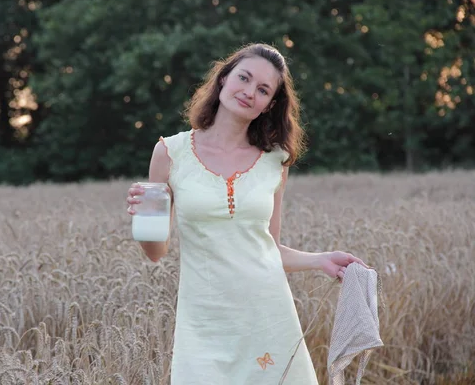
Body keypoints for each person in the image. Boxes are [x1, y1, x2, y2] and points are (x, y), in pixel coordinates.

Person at [125, 43, 368, 384]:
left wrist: (321, 260)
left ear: (269, 105)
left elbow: (268, 247)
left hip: (267, 317)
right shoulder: (170, 152)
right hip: (204, 322)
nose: (249, 91)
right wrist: (145, 221)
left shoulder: (275, 161)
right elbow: (155, 254)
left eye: (263, 89)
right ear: (223, 79)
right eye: (244, 77)